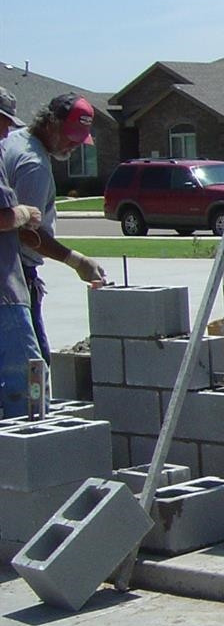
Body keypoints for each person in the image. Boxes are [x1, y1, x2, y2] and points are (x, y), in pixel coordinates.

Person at [0, 93, 108, 364]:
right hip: (16, 275)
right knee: (33, 369)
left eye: (79, 138)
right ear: (50, 124)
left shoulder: (15, 140)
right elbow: (26, 235)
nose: (73, 144)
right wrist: (76, 260)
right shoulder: (33, 164)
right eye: (70, 135)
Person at [0, 157, 44, 418]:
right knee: (29, 383)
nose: (6, 133)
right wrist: (26, 213)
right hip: (5, 295)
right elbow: (3, 218)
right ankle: (32, 455)